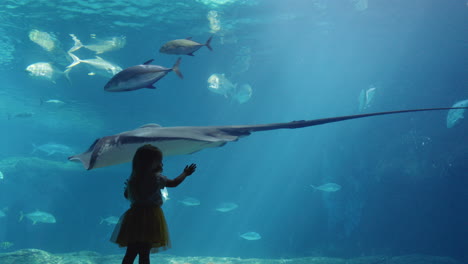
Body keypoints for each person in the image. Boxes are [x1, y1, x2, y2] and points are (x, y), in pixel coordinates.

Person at [110, 144, 197, 264]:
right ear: (152, 163)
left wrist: (128, 188)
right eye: (160, 161)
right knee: (145, 254)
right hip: (151, 218)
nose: (162, 164)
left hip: (134, 218)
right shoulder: (157, 179)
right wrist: (185, 173)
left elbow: (127, 196)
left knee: (130, 253)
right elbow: (174, 183)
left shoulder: (133, 180)